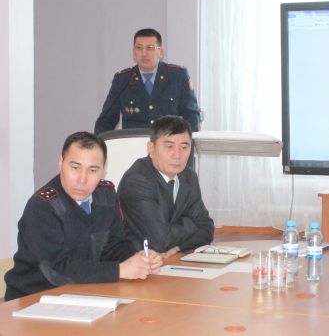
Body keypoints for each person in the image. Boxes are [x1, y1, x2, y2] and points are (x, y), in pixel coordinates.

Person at [4, 132, 163, 301]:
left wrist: (137, 258)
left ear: (103, 171)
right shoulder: (43, 206)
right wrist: (119, 270)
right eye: (75, 168)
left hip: (85, 293)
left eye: (93, 170)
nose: (82, 179)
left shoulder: (107, 196)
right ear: (61, 163)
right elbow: (56, 270)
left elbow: (114, 246)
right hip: (34, 298)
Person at [118, 115, 214, 257]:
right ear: (151, 148)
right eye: (169, 146)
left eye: (184, 147)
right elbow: (159, 241)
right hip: (137, 262)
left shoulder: (189, 177)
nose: (177, 155)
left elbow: (207, 229)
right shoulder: (136, 181)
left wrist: (179, 247)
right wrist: (191, 223)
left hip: (172, 258)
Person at [94, 28, 201, 134]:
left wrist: (181, 142)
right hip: (134, 143)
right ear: (134, 52)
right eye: (139, 48)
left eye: (150, 48)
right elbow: (106, 120)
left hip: (168, 142)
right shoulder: (123, 79)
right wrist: (98, 143)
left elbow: (192, 117)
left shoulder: (178, 76)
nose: (144, 53)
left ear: (161, 52)